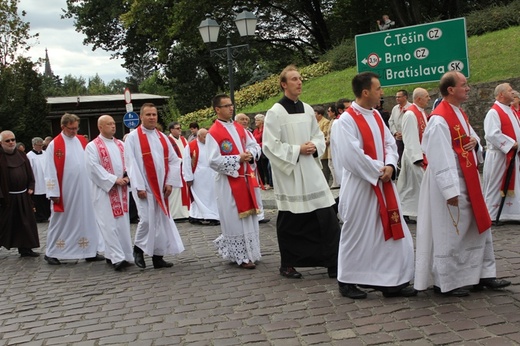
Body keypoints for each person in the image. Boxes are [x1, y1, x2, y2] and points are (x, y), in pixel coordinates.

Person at [414, 71, 511, 297]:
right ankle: (446, 281)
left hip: (467, 178)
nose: (468, 88)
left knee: (477, 226)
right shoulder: (439, 118)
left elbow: (471, 138)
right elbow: (438, 155)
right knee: (451, 230)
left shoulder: (459, 113)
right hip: (449, 181)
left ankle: (482, 275)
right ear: (451, 90)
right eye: (464, 85)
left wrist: (475, 142)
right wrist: (449, 189)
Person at [331, 72, 416, 299]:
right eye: (378, 89)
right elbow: (351, 156)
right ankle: (347, 279)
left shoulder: (377, 116)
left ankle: (390, 280)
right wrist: (380, 170)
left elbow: (390, 142)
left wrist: (390, 164)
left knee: (386, 230)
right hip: (362, 185)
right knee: (356, 232)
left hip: (383, 182)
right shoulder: (345, 122)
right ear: (365, 92)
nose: (382, 93)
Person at [263, 65, 340, 279]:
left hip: (310, 169)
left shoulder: (307, 109)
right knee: (292, 220)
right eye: (294, 79)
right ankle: (288, 264)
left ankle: (333, 262)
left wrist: (315, 146)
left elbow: (316, 135)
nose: (299, 82)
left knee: (326, 215)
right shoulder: (275, 112)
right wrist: (298, 150)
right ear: (284, 84)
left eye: (300, 78)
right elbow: (269, 145)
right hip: (291, 173)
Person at [124, 103, 185, 269]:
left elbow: (173, 160)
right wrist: (139, 185)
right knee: (146, 220)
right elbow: (131, 164)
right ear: (141, 117)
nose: (152, 117)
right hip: (144, 186)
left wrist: (170, 182)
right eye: (148, 114)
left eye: (154, 114)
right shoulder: (133, 138)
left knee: (161, 221)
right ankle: (138, 249)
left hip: (161, 186)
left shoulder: (162, 137)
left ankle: (158, 257)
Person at [207, 94, 262, 269]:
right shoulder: (213, 133)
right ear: (217, 109)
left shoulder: (240, 128)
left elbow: (255, 145)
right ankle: (241, 256)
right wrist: (238, 158)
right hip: (228, 183)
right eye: (226, 106)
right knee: (234, 219)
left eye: (231, 105)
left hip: (245, 179)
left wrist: (251, 154)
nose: (231, 108)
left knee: (249, 218)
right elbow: (213, 160)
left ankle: (251, 253)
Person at [44, 113, 104, 265]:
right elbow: (49, 169)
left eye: (76, 128)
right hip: (65, 190)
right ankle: (52, 252)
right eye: (71, 129)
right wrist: (53, 192)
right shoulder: (54, 145)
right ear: (63, 127)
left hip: (84, 189)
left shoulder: (82, 140)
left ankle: (90, 250)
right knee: (60, 220)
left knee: (87, 218)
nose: (74, 132)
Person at [85, 115, 134, 271]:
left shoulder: (121, 144)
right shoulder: (92, 146)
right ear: (100, 127)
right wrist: (113, 180)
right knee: (108, 224)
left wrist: (127, 176)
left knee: (122, 224)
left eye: (114, 123)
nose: (113, 126)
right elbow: (93, 168)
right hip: (104, 191)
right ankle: (117, 258)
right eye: (109, 124)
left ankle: (123, 254)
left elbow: (130, 162)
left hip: (122, 191)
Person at [483, 83, 520, 222]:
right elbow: (492, 134)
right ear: (501, 95)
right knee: (496, 184)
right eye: (510, 91)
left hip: (510, 155)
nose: (513, 93)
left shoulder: (509, 110)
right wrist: (511, 144)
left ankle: (511, 213)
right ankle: (492, 213)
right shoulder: (494, 112)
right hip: (499, 156)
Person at [0, 131, 40, 257]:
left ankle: (26, 248)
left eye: (13, 139)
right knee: (4, 224)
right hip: (6, 197)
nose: (11, 142)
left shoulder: (22, 155)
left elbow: (29, 173)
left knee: (26, 223)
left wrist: (31, 186)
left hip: (23, 195)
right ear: (1, 143)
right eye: (8, 141)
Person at [396, 88, 431, 224]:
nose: (429, 99)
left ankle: (408, 211)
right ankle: (404, 211)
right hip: (414, 156)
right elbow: (410, 137)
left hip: (421, 154)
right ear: (418, 99)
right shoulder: (411, 114)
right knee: (411, 186)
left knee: (411, 187)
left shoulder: (421, 112)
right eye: (427, 96)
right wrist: (417, 158)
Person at [235, 113, 270, 224]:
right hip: (240, 168)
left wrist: (251, 154)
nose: (245, 121)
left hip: (251, 166)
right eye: (242, 119)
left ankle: (259, 215)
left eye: (246, 119)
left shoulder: (248, 133)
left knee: (255, 191)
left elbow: (256, 146)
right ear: (236, 121)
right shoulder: (234, 133)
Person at [183, 128, 220, 226]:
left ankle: (213, 215)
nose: (207, 139)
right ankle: (196, 215)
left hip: (212, 175)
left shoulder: (212, 144)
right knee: (198, 198)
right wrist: (188, 177)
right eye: (204, 137)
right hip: (198, 176)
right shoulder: (191, 146)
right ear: (198, 137)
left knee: (211, 197)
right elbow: (186, 162)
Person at [167, 121, 190, 221]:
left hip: (184, 169)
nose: (180, 130)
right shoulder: (168, 140)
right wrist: (181, 161)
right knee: (176, 193)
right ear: (171, 130)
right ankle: (175, 214)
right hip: (174, 170)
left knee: (185, 191)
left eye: (180, 128)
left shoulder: (184, 139)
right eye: (177, 128)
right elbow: (168, 155)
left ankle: (185, 212)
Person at [26, 137, 51, 223]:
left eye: (41, 145)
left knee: (46, 199)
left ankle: (48, 215)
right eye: (39, 145)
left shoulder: (45, 153)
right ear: (34, 145)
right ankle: (39, 217)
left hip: (45, 180)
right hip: (37, 180)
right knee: (38, 200)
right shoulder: (29, 156)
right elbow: (29, 170)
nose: (40, 147)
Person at [388, 89, 411, 176]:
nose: (397, 98)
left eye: (399, 97)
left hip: (408, 138)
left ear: (405, 97)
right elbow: (391, 121)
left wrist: (404, 134)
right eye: (396, 97)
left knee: (408, 156)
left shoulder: (411, 108)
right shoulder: (395, 108)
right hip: (398, 138)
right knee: (399, 155)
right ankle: (401, 173)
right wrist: (395, 132)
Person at [252, 114, 272, 190]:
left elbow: (266, 140)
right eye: (255, 120)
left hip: (265, 150)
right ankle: (262, 183)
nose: (255, 122)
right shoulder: (256, 130)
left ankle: (269, 184)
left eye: (257, 120)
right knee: (259, 167)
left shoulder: (265, 129)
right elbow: (253, 140)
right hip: (258, 151)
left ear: (262, 121)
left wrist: (257, 145)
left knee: (266, 167)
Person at [314, 105, 331, 184]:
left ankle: (326, 182)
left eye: (315, 114)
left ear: (320, 114)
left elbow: (325, 132)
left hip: (324, 146)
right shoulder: (316, 122)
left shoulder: (325, 122)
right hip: (317, 145)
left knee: (325, 165)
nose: (314, 115)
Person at [326, 105, 340, 189]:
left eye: (329, 111)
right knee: (330, 164)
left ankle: (336, 182)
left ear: (333, 112)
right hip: (330, 144)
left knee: (332, 163)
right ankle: (335, 181)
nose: (328, 113)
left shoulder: (336, 121)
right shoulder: (332, 121)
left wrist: (328, 141)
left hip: (333, 145)